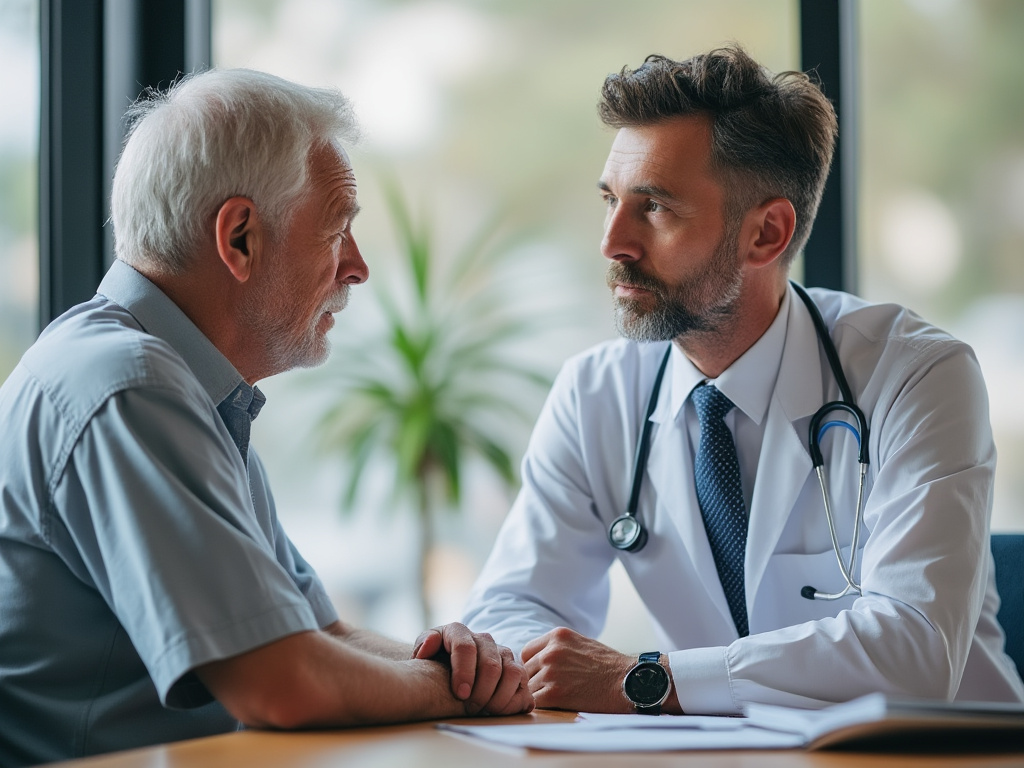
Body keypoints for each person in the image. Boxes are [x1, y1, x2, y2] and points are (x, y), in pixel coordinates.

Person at [462, 45, 1024, 716]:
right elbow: (509, 608)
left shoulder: (916, 376)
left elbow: (914, 649)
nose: (613, 242)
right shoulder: (596, 395)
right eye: (611, 200)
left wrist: (643, 679)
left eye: (657, 208)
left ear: (767, 233)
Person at [0, 68, 532, 766]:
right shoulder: (128, 385)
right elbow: (284, 685)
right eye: (338, 230)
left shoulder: (186, 387)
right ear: (240, 237)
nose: (359, 268)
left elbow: (322, 636)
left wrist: (461, 665)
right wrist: (462, 692)